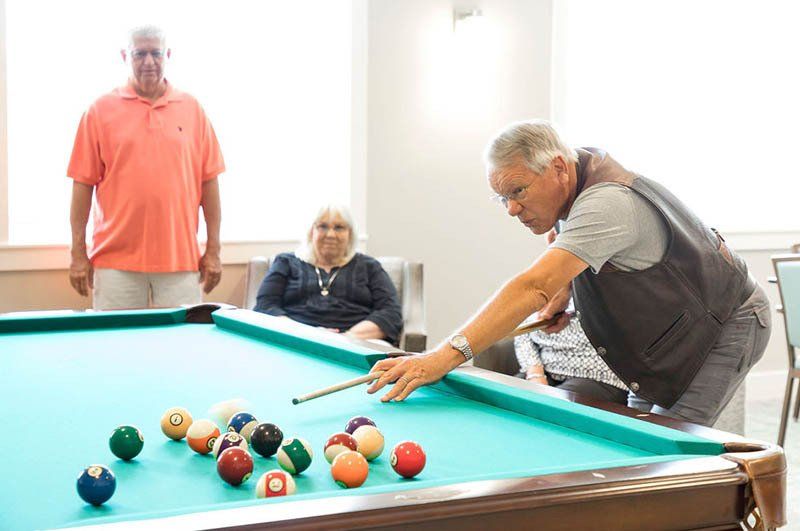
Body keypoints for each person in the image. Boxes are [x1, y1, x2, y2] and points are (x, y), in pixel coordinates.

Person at [368, 120, 771, 427]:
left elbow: (533, 285)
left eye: (518, 191)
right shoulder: (574, 181)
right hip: (665, 337)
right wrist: (564, 294)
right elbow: (561, 258)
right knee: (631, 444)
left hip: (725, 324)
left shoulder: (607, 202)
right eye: (501, 197)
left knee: (664, 456)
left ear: (558, 168)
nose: (511, 209)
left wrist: (440, 358)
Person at [67, 25, 224, 310]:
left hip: (180, 261)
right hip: (115, 263)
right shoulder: (99, 111)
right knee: (116, 349)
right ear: (126, 55)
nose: (149, 62)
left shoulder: (193, 109)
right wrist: (78, 252)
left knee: (180, 350)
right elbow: (82, 184)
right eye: (140, 54)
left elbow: (209, 182)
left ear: (168, 55)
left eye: (156, 53)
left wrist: (213, 249)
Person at [254, 204, 403, 345]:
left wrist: (345, 338)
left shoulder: (369, 266)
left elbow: (390, 313)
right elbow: (265, 306)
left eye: (339, 227)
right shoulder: (286, 262)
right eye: (323, 226)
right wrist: (307, 334)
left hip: (356, 343)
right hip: (295, 340)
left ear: (350, 234)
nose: (331, 234)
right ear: (311, 231)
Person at [515, 313, 628, 405]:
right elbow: (521, 331)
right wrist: (535, 373)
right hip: (544, 368)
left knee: (554, 408)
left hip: (598, 376)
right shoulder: (530, 290)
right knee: (510, 397)